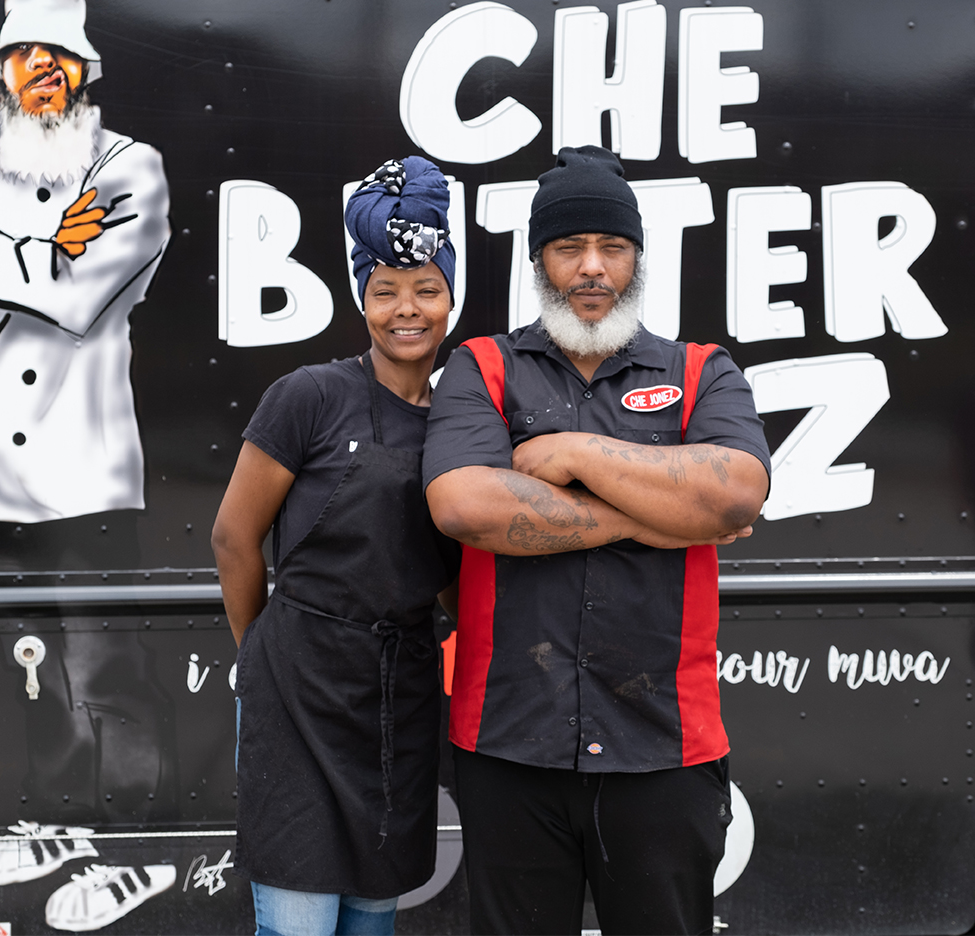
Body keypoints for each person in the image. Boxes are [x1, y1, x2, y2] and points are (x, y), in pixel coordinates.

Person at [423, 145, 771, 936]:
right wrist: (655, 515)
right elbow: (464, 506)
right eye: (569, 248)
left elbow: (736, 491)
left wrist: (575, 456)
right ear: (538, 260)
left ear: (636, 258)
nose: (591, 268)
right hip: (510, 747)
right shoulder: (482, 367)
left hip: (664, 748)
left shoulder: (702, 370)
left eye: (612, 248)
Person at [212, 156, 460, 936]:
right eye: (384, 292)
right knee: (299, 923)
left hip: (401, 697)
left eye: (425, 289)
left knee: (370, 921)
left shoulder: (465, 420)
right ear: (362, 299)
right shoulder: (310, 396)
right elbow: (233, 536)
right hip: (298, 689)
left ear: (451, 295)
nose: (406, 311)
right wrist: (266, 657)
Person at [0, 0, 171, 523]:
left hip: (79, 477)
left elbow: (74, 298)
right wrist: (50, 251)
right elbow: (56, 273)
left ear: (85, 69)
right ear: (1, 75)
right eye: (23, 54)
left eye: (59, 53)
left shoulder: (130, 167)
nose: (42, 66)